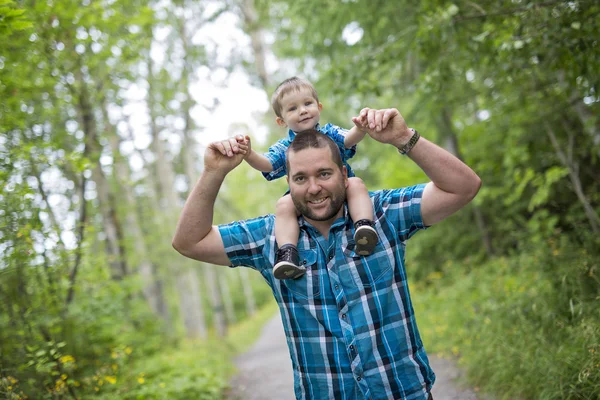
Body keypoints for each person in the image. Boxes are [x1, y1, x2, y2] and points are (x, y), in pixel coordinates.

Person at [172, 107, 482, 400]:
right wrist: (213, 172)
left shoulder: (382, 214)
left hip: (403, 391)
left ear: (344, 175)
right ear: (289, 184)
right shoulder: (270, 238)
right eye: (301, 178)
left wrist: (405, 138)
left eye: (324, 173)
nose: (314, 188)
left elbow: (463, 187)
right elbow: (189, 241)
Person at [243, 76, 378, 280]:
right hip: (305, 198)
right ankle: (287, 253)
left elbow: (348, 141)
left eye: (307, 104)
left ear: (319, 107)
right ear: (281, 121)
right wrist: (248, 154)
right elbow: (268, 164)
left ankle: (364, 226)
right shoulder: (284, 148)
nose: (303, 110)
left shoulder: (329, 133)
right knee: (283, 205)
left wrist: (361, 128)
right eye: (292, 109)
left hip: (341, 187)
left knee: (357, 184)